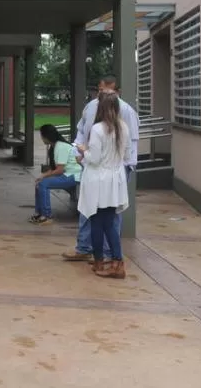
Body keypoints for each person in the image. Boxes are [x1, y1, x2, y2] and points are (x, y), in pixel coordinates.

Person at [62, 76, 139, 263]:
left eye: (107, 93)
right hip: (98, 169)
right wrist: (78, 152)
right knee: (89, 210)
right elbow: (82, 133)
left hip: (107, 169)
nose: (103, 96)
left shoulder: (126, 112)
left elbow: (129, 148)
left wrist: (86, 154)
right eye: (101, 91)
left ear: (116, 93)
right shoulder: (90, 109)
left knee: (106, 216)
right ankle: (85, 248)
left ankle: (105, 254)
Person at [76, 93, 130, 279]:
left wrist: (83, 151)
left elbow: (95, 158)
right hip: (116, 181)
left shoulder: (98, 129)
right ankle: (114, 262)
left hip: (99, 181)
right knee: (108, 222)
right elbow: (127, 154)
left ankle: (107, 261)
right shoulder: (124, 127)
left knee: (98, 222)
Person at [29, 124, 81, 225]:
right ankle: (39, 213)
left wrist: (44, 176)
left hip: (74, 176)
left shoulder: (60, 146)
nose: (41, 138)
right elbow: (56, 169)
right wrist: (43, 176)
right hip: (67, 174)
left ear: (47, 136)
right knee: (40, 183)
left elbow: (59, 170)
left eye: (42, 136)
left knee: (43, 184)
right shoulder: (55, 147)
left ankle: (47, 216)